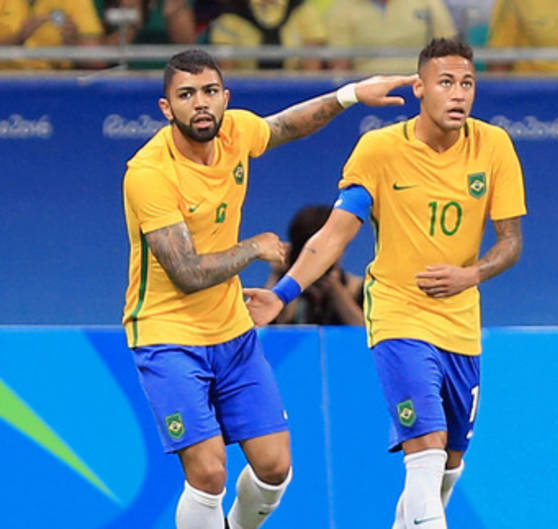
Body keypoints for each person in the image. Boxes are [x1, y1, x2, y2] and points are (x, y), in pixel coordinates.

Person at [121, 48, 414, 529]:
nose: (201, 103)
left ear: (225, 96)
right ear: (166, 108)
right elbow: (186, 273)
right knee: (209, 471)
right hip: (167, 334)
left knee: (275, 469)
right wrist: (253, 248)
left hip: (232, 333)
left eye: (210, 92)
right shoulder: (149, 174)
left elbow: (285, 126)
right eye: (187, 95)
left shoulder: (235, 132)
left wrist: (350, 94)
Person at [245, 38, 526, 529]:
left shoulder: (495, 145)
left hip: (461, 325)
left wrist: (471, 274)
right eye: (445, 82)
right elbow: (333, 236)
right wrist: (283, 292)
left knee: (448, 465)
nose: (458, 93)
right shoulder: (379, 149)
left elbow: (511, 241)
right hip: (399, 316)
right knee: (426, 448)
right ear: (420, 88)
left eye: (467, 83)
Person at [265, 204, 364, 325]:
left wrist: (336, 291)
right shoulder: (287, 289)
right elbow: (257, 328)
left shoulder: (357, 289)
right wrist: (276, 277)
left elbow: (369, 332)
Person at [325, 0, 457, 73]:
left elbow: (448, 49)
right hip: (365, 84)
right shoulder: (343, 7)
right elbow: (340, 64)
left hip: (421, 81)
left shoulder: (428, 3)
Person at [0, 0, 104, 69]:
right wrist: (18, 38)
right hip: (6, 81)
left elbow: (97, 61)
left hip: (54, 82)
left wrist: (74, 44)